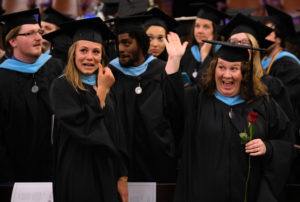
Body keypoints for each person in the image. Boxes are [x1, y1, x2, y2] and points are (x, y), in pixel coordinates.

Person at [174, 40, 295, 202]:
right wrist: (173, 62)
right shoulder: (196, 101)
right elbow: (169, 110)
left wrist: (268, 147)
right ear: (213, 69)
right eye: (221, 67)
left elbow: (286, 143)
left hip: (248, 195)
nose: (227, 74)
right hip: (202, 195)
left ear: (245, 73)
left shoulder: (263, 104)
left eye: (234, 68)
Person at [49, 17, 128, 202]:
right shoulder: (62, 87)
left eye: (96, 51)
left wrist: (122, 176)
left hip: (107, 172)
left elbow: (118, 132)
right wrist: (101, 92)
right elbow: (84, 128)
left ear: (102, 55)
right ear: (73, 53)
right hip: (77, 172)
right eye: (83, 50)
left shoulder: (108, 84)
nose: (89, 57)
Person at [106, 15, 188, 183]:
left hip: (158, 162)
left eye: (126, 43)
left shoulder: (162, 70)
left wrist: (174, 65)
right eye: (116, 44)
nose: (120, 49)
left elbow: (178, 114)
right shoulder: (109, 74)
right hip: (120, 165)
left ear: (142, 44)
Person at [0, 8, 62, 183]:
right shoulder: (3, 79)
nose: (39, 38)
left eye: (40, 32)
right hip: (15, 172)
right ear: (13, 41)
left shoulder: (55, 68)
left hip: (56, 169)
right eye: (30, 33)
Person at [220, 13, 295, 128]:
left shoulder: (271, 86)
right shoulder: (221, 83)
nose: (239, 47)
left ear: (254, 49)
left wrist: (268, 146)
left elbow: (285, 130)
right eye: (233, 42)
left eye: (245, 42)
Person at [262, 4, 300, 143]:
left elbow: (286, 102)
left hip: (283, 132)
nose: (263, 35)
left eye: (269, 31)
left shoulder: (288, 65)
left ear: (279, 38)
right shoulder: (263, 61)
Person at [179, 2, 230, 86]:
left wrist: (205, 57)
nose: (200, 31)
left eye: (206, 27)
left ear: (215, 31)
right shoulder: (187, 54)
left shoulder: (222, 56)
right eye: (197, 26)